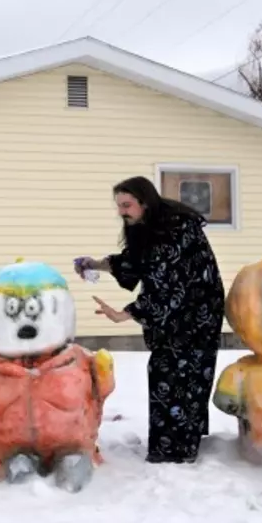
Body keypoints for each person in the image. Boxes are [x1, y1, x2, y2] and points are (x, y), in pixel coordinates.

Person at [75, 176, 225, 464]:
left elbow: (166, 283)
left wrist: (126, 314)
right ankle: (170, 445)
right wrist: (94, 264)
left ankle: (178, 450)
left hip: (197, 311)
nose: (122, 211)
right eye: (119, 205)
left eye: (127, 205)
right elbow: (134, 262)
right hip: (173, 307)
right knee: (165, 371)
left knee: (183, 374)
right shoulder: (148, 227)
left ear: (145, 201)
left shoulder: (176, 229)